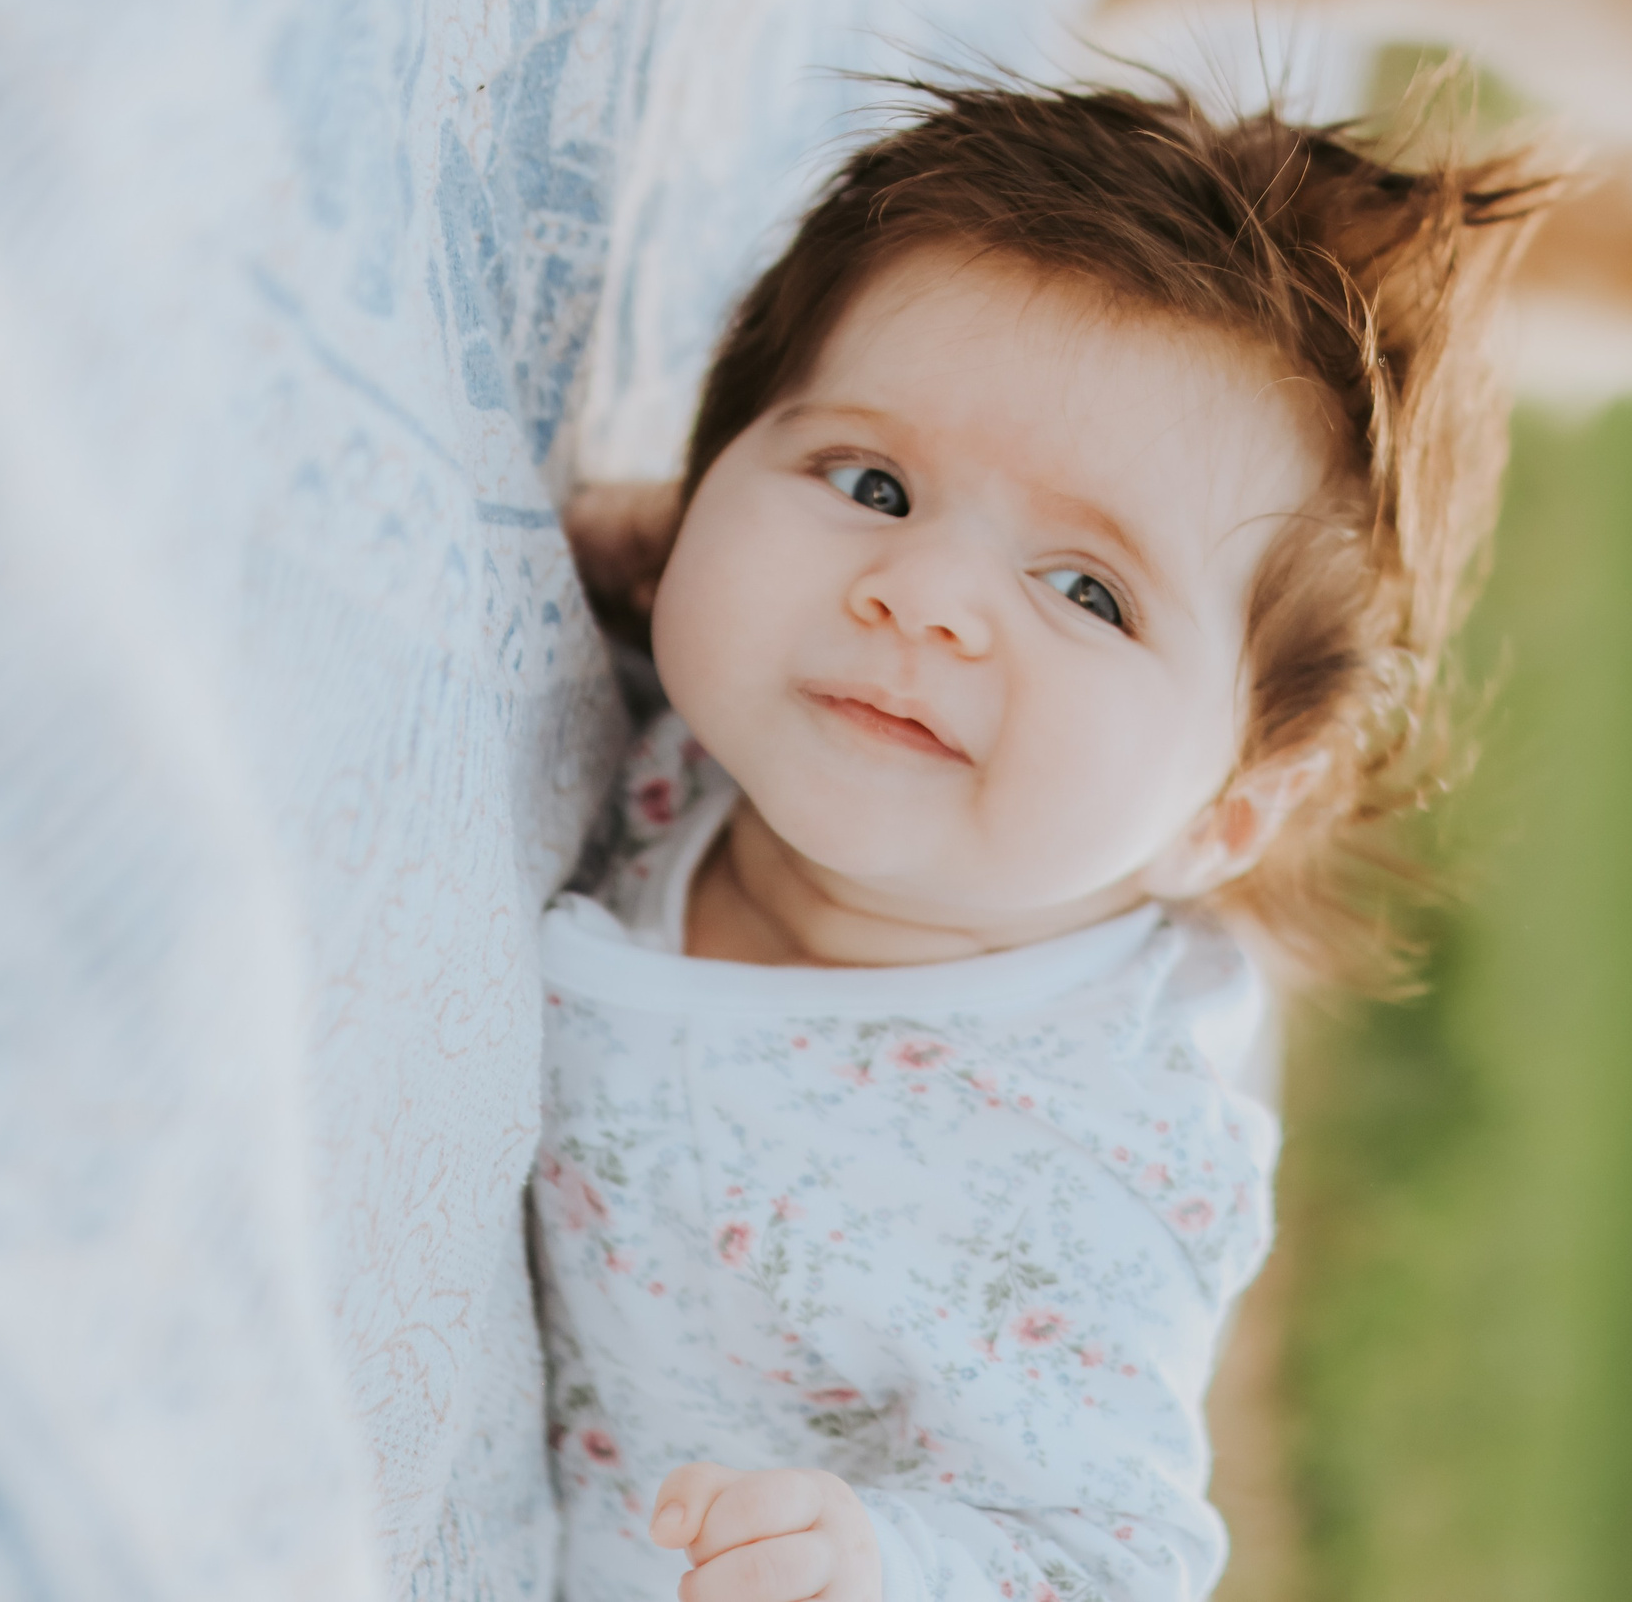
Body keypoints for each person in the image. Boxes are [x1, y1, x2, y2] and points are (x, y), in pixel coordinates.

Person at [539, 78, 1549, 1602]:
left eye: (1088, 592)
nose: (924, 591)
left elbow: (1112, 1558)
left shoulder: (1079, 1175)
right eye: (869, 484)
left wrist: (880, 1564)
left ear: (1229, 812)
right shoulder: (728, 720)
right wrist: (643, 566)